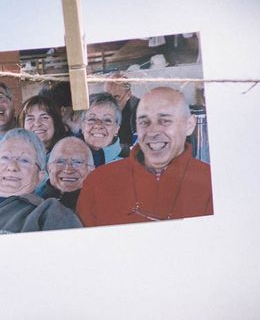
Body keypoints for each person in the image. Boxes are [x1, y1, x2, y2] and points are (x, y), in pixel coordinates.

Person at [76, 87, 213, 226]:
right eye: (144, 122)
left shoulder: (211, 183)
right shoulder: (98, 181)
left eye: (165, 121)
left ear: (189, 125)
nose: (152, 132)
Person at [38, 137, 94, 211]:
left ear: (91, 170)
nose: (68, 170)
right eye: (60, 162)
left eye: (78, 162)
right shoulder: (31, 204)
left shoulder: (103, 205)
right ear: (48, 167)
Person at [80, 92, 123, 167]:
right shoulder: (64, 157)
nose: (98, 125)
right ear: (82, 126)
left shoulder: (128, 164)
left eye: (107, 120)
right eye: (92, 119)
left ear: (116, 129)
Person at [104, 71, 139, 156]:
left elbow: (139, 150)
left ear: (128, 95)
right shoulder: (100, 108)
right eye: (107, 96)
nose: (110, 103)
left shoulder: (140, 112)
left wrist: (111, 146)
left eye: (116, 98)